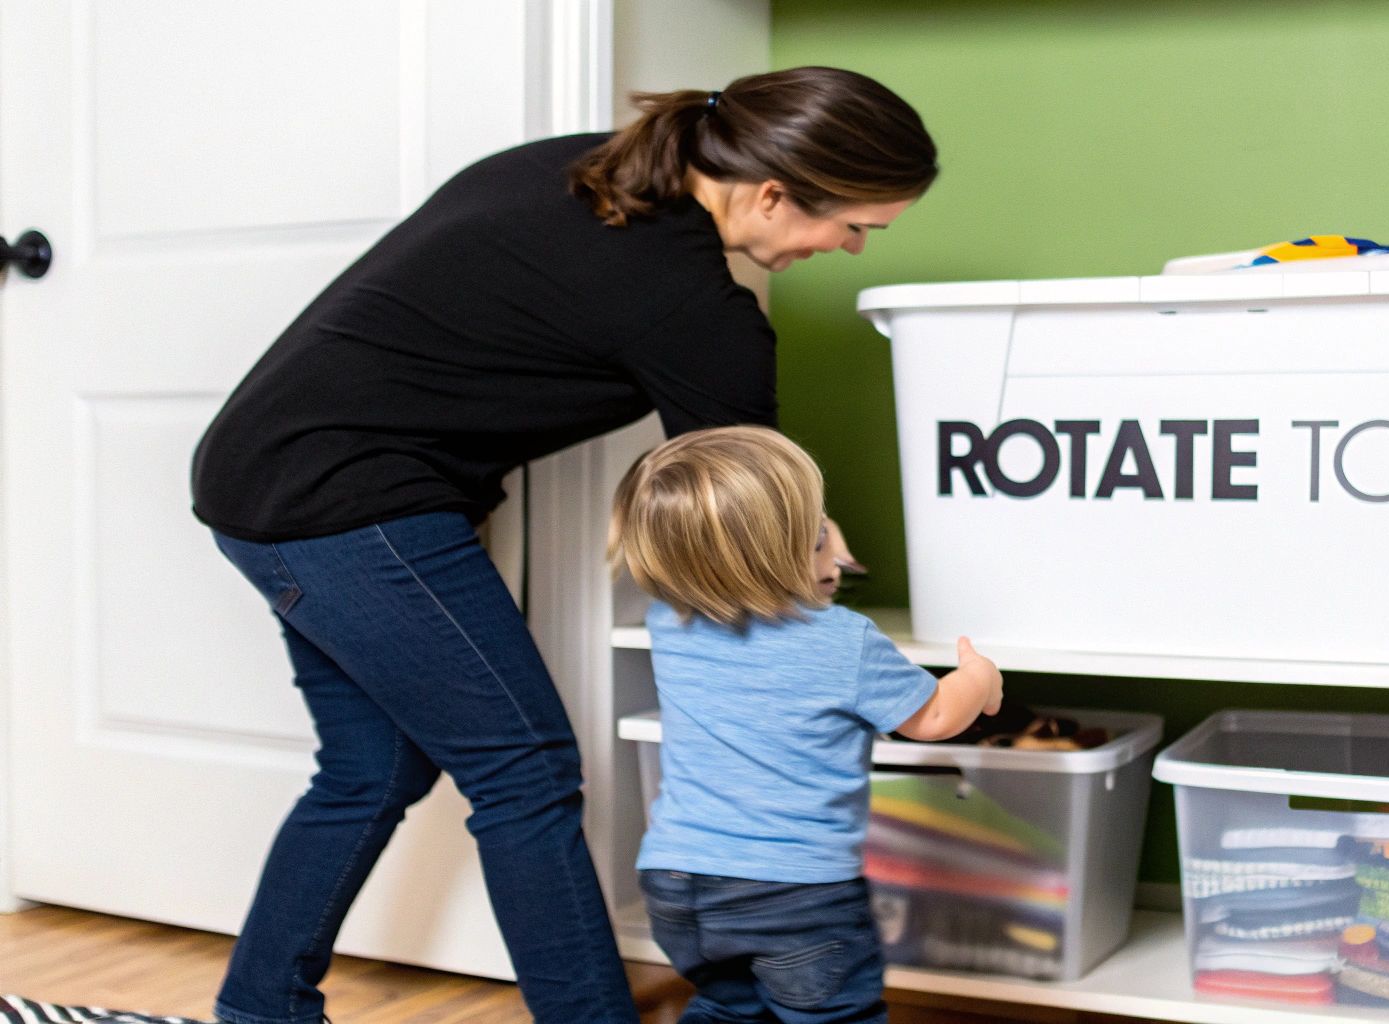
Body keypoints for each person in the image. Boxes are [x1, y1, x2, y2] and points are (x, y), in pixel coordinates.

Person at [189, 66, 937, 1024]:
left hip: (260, 471)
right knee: (526, 770)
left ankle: (259, 1010)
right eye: (854, 226)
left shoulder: (590, 169)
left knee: (372, 768)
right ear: (772, 191)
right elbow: (759, 522)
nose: (846, 248)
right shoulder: (691, 306)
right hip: (344, 500)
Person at [609, 426, 1003, 1024]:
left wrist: (809, 541)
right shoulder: (844, 642)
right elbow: (937, 717)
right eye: (819, 540)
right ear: (777, 555)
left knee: (727, 1007)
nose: (835, 556)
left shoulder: (671, 621)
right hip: (797, 898)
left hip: (675, 884)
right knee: (833, 1016)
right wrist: (979, 677)